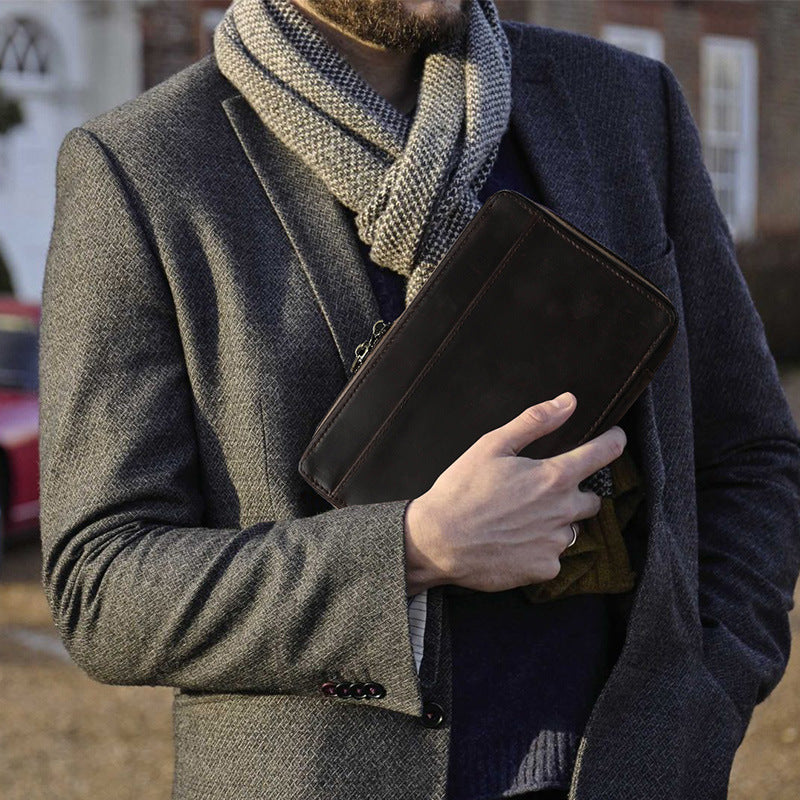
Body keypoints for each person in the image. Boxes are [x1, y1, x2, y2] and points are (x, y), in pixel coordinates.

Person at [38, 0, 800, 798]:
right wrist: (413, 548)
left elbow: (749, 452)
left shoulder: (625, 106)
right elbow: (102, 583)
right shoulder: (141, 168)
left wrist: (703, 699)